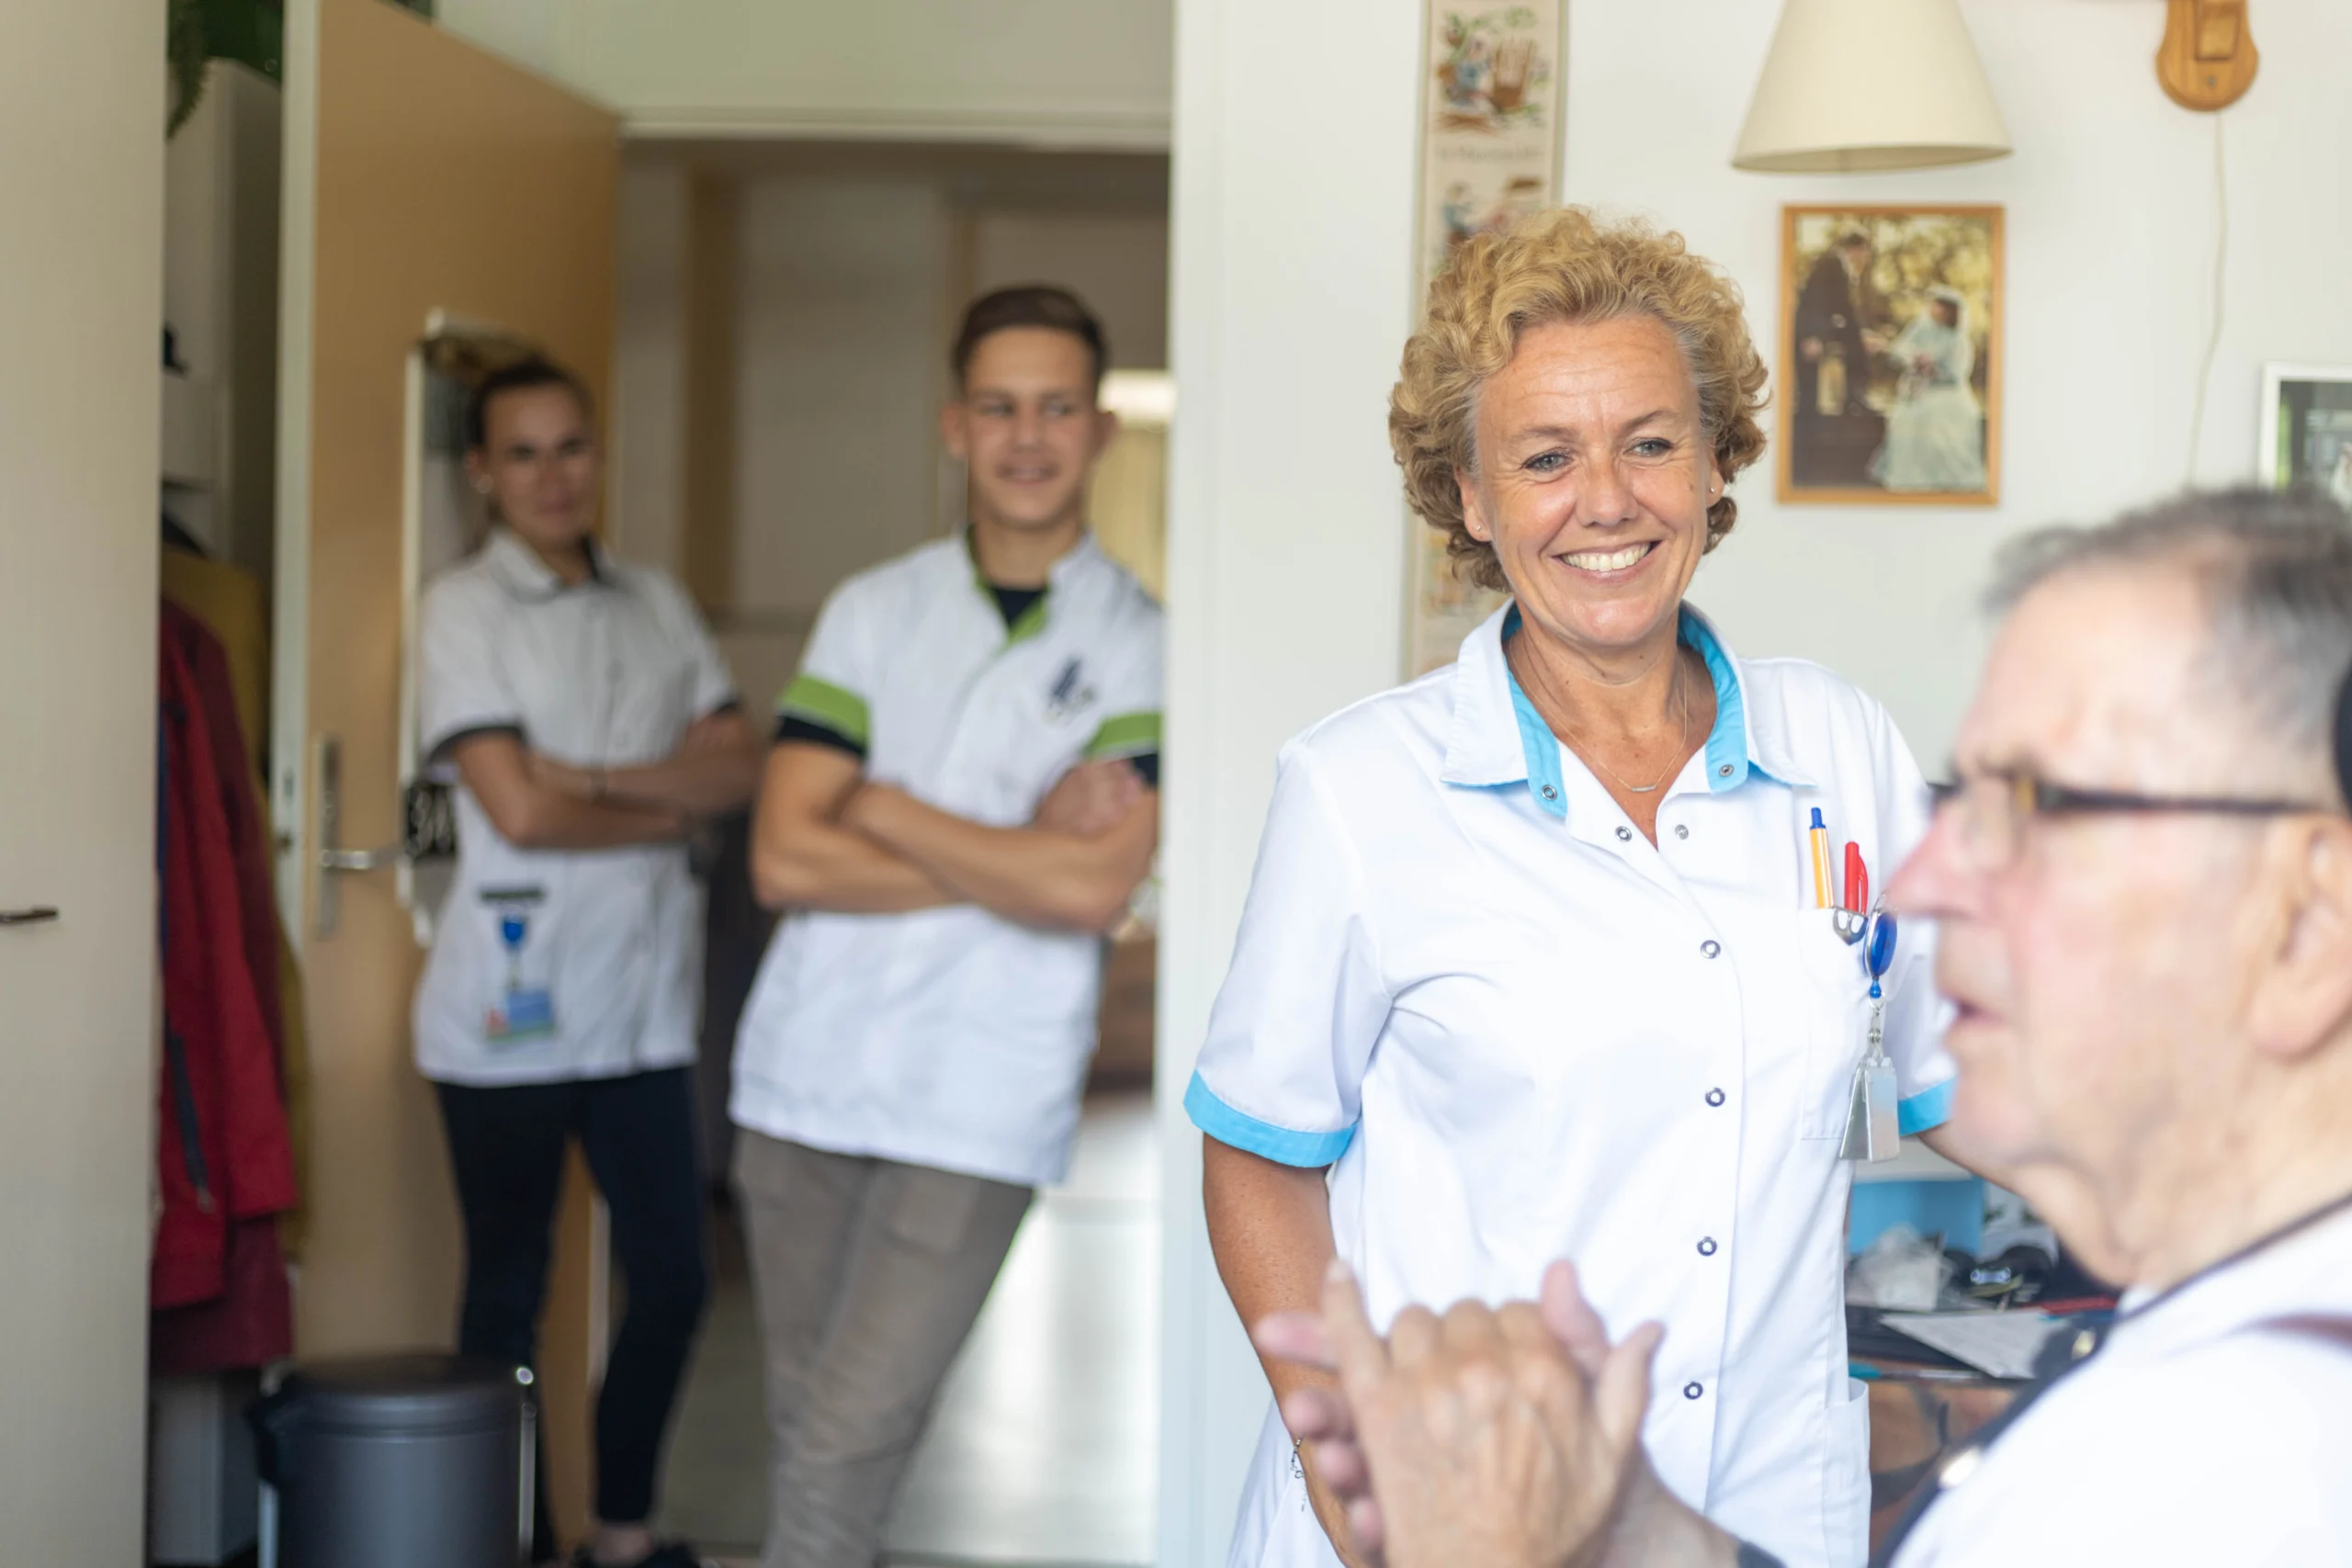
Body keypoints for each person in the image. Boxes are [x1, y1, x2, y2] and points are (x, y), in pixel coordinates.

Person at [1261, 489, 2352, 1568]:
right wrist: (1640, 1539)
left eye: (2039, 806)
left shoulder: (2235, 1466)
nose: (1919, 877)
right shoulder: (2206, 1369)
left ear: (2307, 922)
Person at [1189, 206, 1970, 1568]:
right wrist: (1339, 1434)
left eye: (1651, 442)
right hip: (1465, 1512)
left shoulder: (1839, 745)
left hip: (1761, 1498)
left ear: (1716, 459)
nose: (1606, 501)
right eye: (1545, 458)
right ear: (1473, 499)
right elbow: (1258, 1149)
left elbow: (1971, 1067)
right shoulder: (1363, 789)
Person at [729, 285, 1163, 1568]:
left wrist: (884, 798)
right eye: (997, 406)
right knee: (819, 1432)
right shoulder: (875, 609)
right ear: (953, 426)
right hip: (802, 1082)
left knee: (835, 1447)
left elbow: (1091, 889)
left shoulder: (1141, 644)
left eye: (1057, 406)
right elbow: (779, 854)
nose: (1026, 435)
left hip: (977, 1097)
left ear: (1100, 432)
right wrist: (1013, 838)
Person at [415, 356, 762, 1568]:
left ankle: (619, 1527)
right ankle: (499, 1534)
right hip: (506, 1010)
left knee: (674, 1278)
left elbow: (740, 766)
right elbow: (518, 811)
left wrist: (598, 779)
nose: (553, 475)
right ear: (481, 472)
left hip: (643, 1010)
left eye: (572, 446)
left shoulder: (655, 598)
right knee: (508, 1293)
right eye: (523, 453)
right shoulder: (465, 608)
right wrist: (668, 807)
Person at [1791, 231, 1885, 490]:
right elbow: (1814, 302)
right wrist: (1810, 336)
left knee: (1849, 361)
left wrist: (1859, 334)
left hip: (1820, 335)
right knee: (1809, 396)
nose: (1865, 259)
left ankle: (1854, 400)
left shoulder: (1835, 265)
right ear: (1858, 248)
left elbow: (1840, 308)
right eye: (1865, 252)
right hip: (1812, 337)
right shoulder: (1831, 264)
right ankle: (1804, 462)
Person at [1868, 288, 1985, 493]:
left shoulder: (1958, 339)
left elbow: (1957, 374)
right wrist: (1914, 358)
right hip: (1918, 388)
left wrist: (1933, 368)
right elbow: (1899, 350)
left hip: (1946, 391)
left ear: (1951, 312)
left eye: (1941, 308)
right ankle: (1912, 474)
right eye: (1934, 306)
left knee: (1936, 418)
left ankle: (1941, 475)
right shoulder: (1921, 328)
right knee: (1905, 417)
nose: (1935, 311)